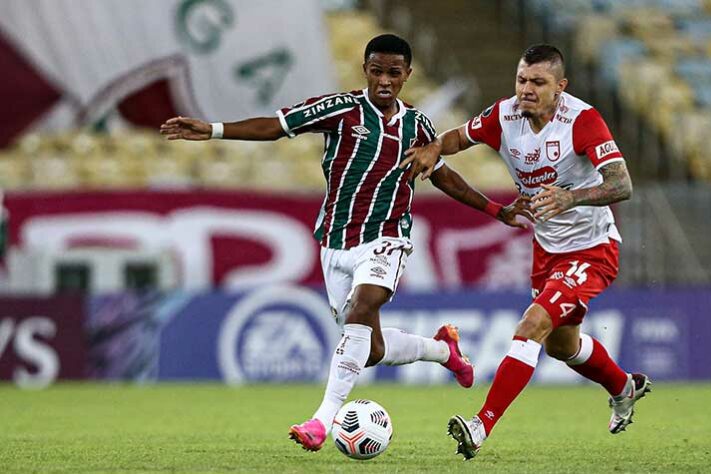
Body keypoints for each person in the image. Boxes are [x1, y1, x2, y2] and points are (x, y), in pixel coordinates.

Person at [160, 34, 532, 452]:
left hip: (388, 236)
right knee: (368, 349)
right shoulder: (340, 110)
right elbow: (277, 127)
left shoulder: (418, 125)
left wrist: (495, 209)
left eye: (394, 73)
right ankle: (442, 350)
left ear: (408, 74)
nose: (385, 81)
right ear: (365, 70)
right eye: (377, 71)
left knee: (362, 305)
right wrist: (211, 130)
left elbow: (442, 175)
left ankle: (321, 421)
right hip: (336, 242)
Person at [401, 44, 652, 460]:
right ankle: (624, 387)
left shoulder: (582, 120)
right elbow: (459, 136)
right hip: (547, 248)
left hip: (592, 249)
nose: (526, 90)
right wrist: (433, 148)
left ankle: (480, 425)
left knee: (531, 324)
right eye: (521, 80)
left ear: (560, 87)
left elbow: (621, 184)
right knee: (561, 346)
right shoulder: (505, 115)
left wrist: (572, 198)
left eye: (538, 82)